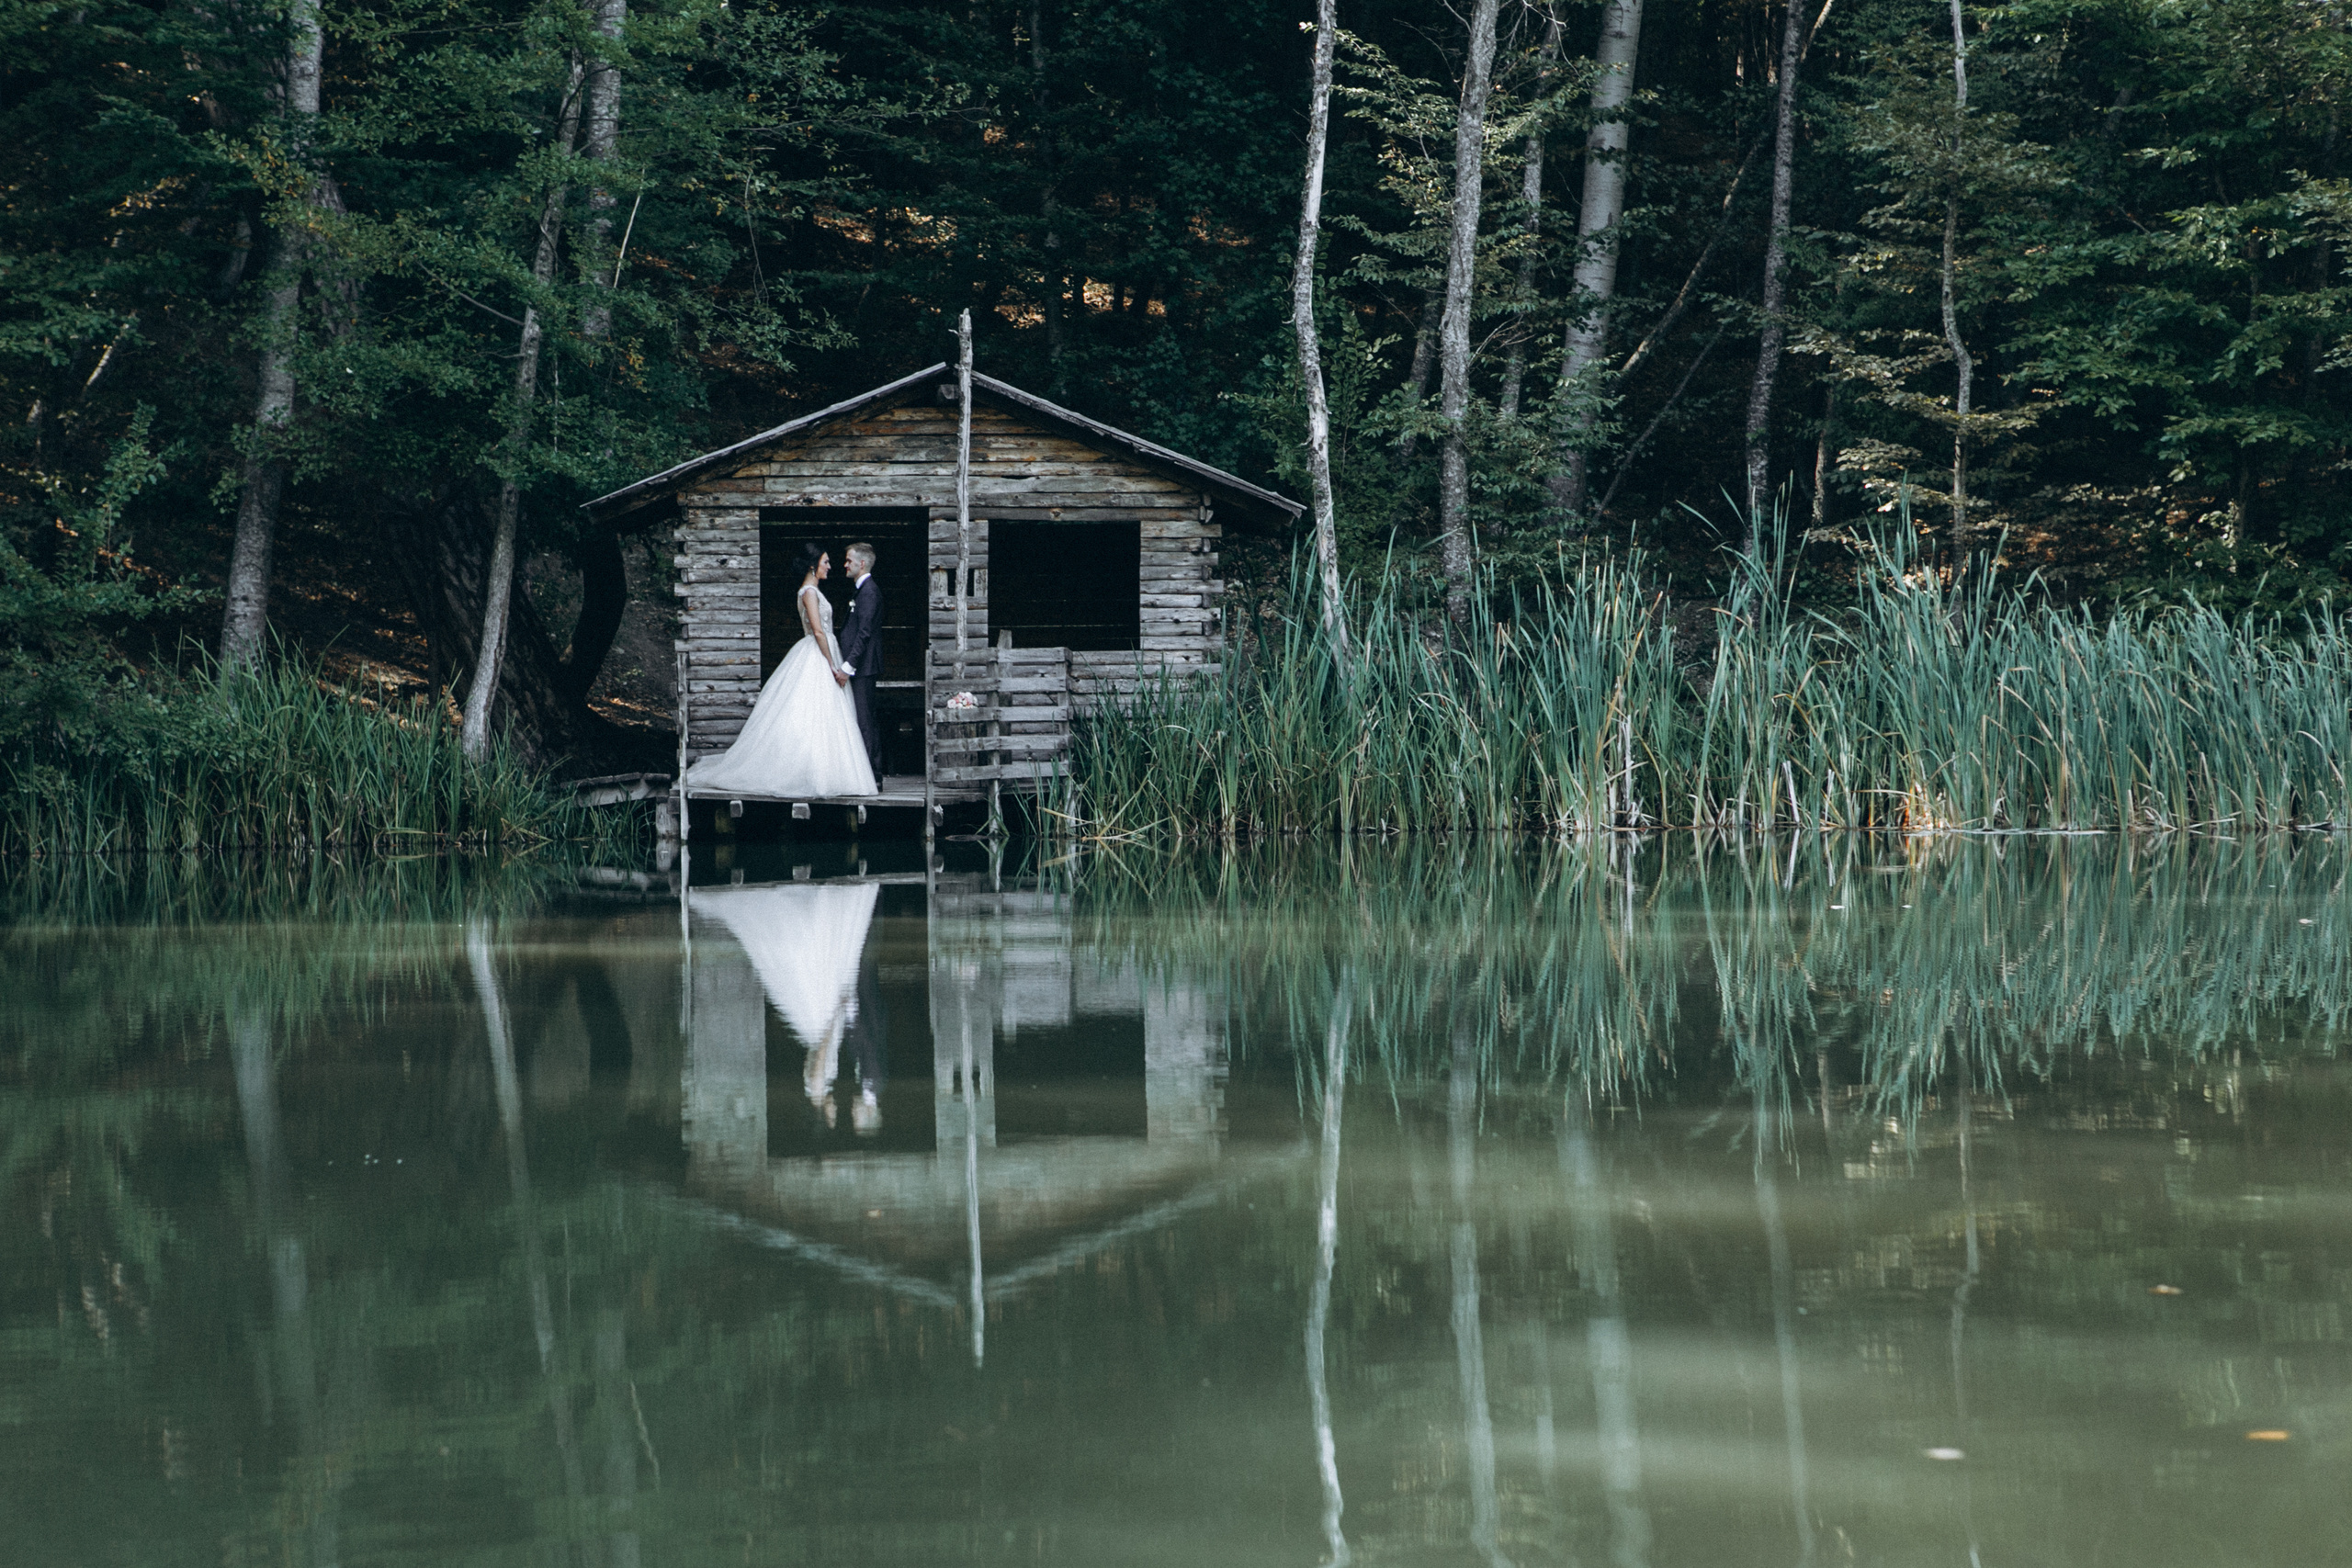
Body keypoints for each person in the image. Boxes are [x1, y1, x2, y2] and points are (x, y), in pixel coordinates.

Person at [684, 543, 876, 797]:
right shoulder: (808, 592)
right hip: (819, 653)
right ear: (813, 565)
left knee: (826, 715)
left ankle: (827, 770)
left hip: (825, 649)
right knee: (811, 714)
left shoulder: (815, 590)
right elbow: (818, 631)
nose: (830, 566)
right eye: (826, 562)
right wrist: (831, 663)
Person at [835, 542, 885, 781]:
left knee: (865, 721)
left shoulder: (869, 591)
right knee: (862, 720)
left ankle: (872, 776)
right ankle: (868, 773)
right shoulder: (861, 590)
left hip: (863, 668)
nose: (845, 565)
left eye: (849, 561)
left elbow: (864, 633)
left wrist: (848, 666)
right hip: (860, 667)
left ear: (862, 563)